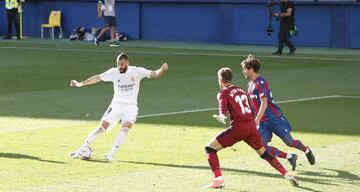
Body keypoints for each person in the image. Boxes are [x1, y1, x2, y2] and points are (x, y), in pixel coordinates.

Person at [205, 67, 298, 189]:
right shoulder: (241, 89)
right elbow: (251, 106)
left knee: (209, 148)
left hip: (238, 128)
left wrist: (222, 116)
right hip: (251, 126)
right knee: (264, 153)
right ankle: (286, 174)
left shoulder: (223, 92)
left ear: (220, 80)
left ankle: (218, 180)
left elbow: (222, 107)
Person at [69, 53, 169, 161]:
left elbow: (154, 74)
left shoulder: (136, 71)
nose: (120, 67)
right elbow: (98, 78)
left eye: (122, 64)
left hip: (131, 107)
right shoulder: (113, 72)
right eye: (118, 64)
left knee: (125, 128)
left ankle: (110, 154)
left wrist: (162, 70)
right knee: (101, 128)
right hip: (116, 105)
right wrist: (80, 84)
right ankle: (80, 150)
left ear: (127, 63)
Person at [240, 54, 315, 171]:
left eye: (244, 69)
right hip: (263, 122)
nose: (243, 72)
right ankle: (290, 157)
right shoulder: (250, 85)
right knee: (261, 147)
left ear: (251, 69)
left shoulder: (261, 82)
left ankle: (306, 150)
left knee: (289, 142)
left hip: (274, 118)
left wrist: (257, 120)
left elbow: (264, 103)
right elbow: (252, 105)